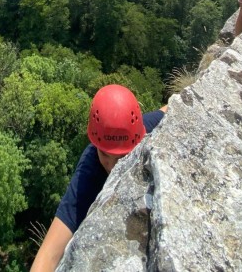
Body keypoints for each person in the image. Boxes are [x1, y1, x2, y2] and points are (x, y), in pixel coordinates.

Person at [30, 84, 167, 272]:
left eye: (122, 157)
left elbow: (168, 110)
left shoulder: (141, 132)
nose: (112, 167)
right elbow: (48, 256)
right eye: (105, 155)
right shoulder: (91, 169)